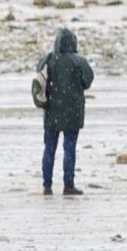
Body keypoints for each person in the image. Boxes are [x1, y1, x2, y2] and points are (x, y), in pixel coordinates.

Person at [35, 26, 93, 195]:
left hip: (51, 111)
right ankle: (68, 185)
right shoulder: (79, 61)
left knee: (49, 148)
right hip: (73, 112)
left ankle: (47, 185)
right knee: (69, 149)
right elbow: (87, 81)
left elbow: (39, 77)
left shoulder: (48, 59)